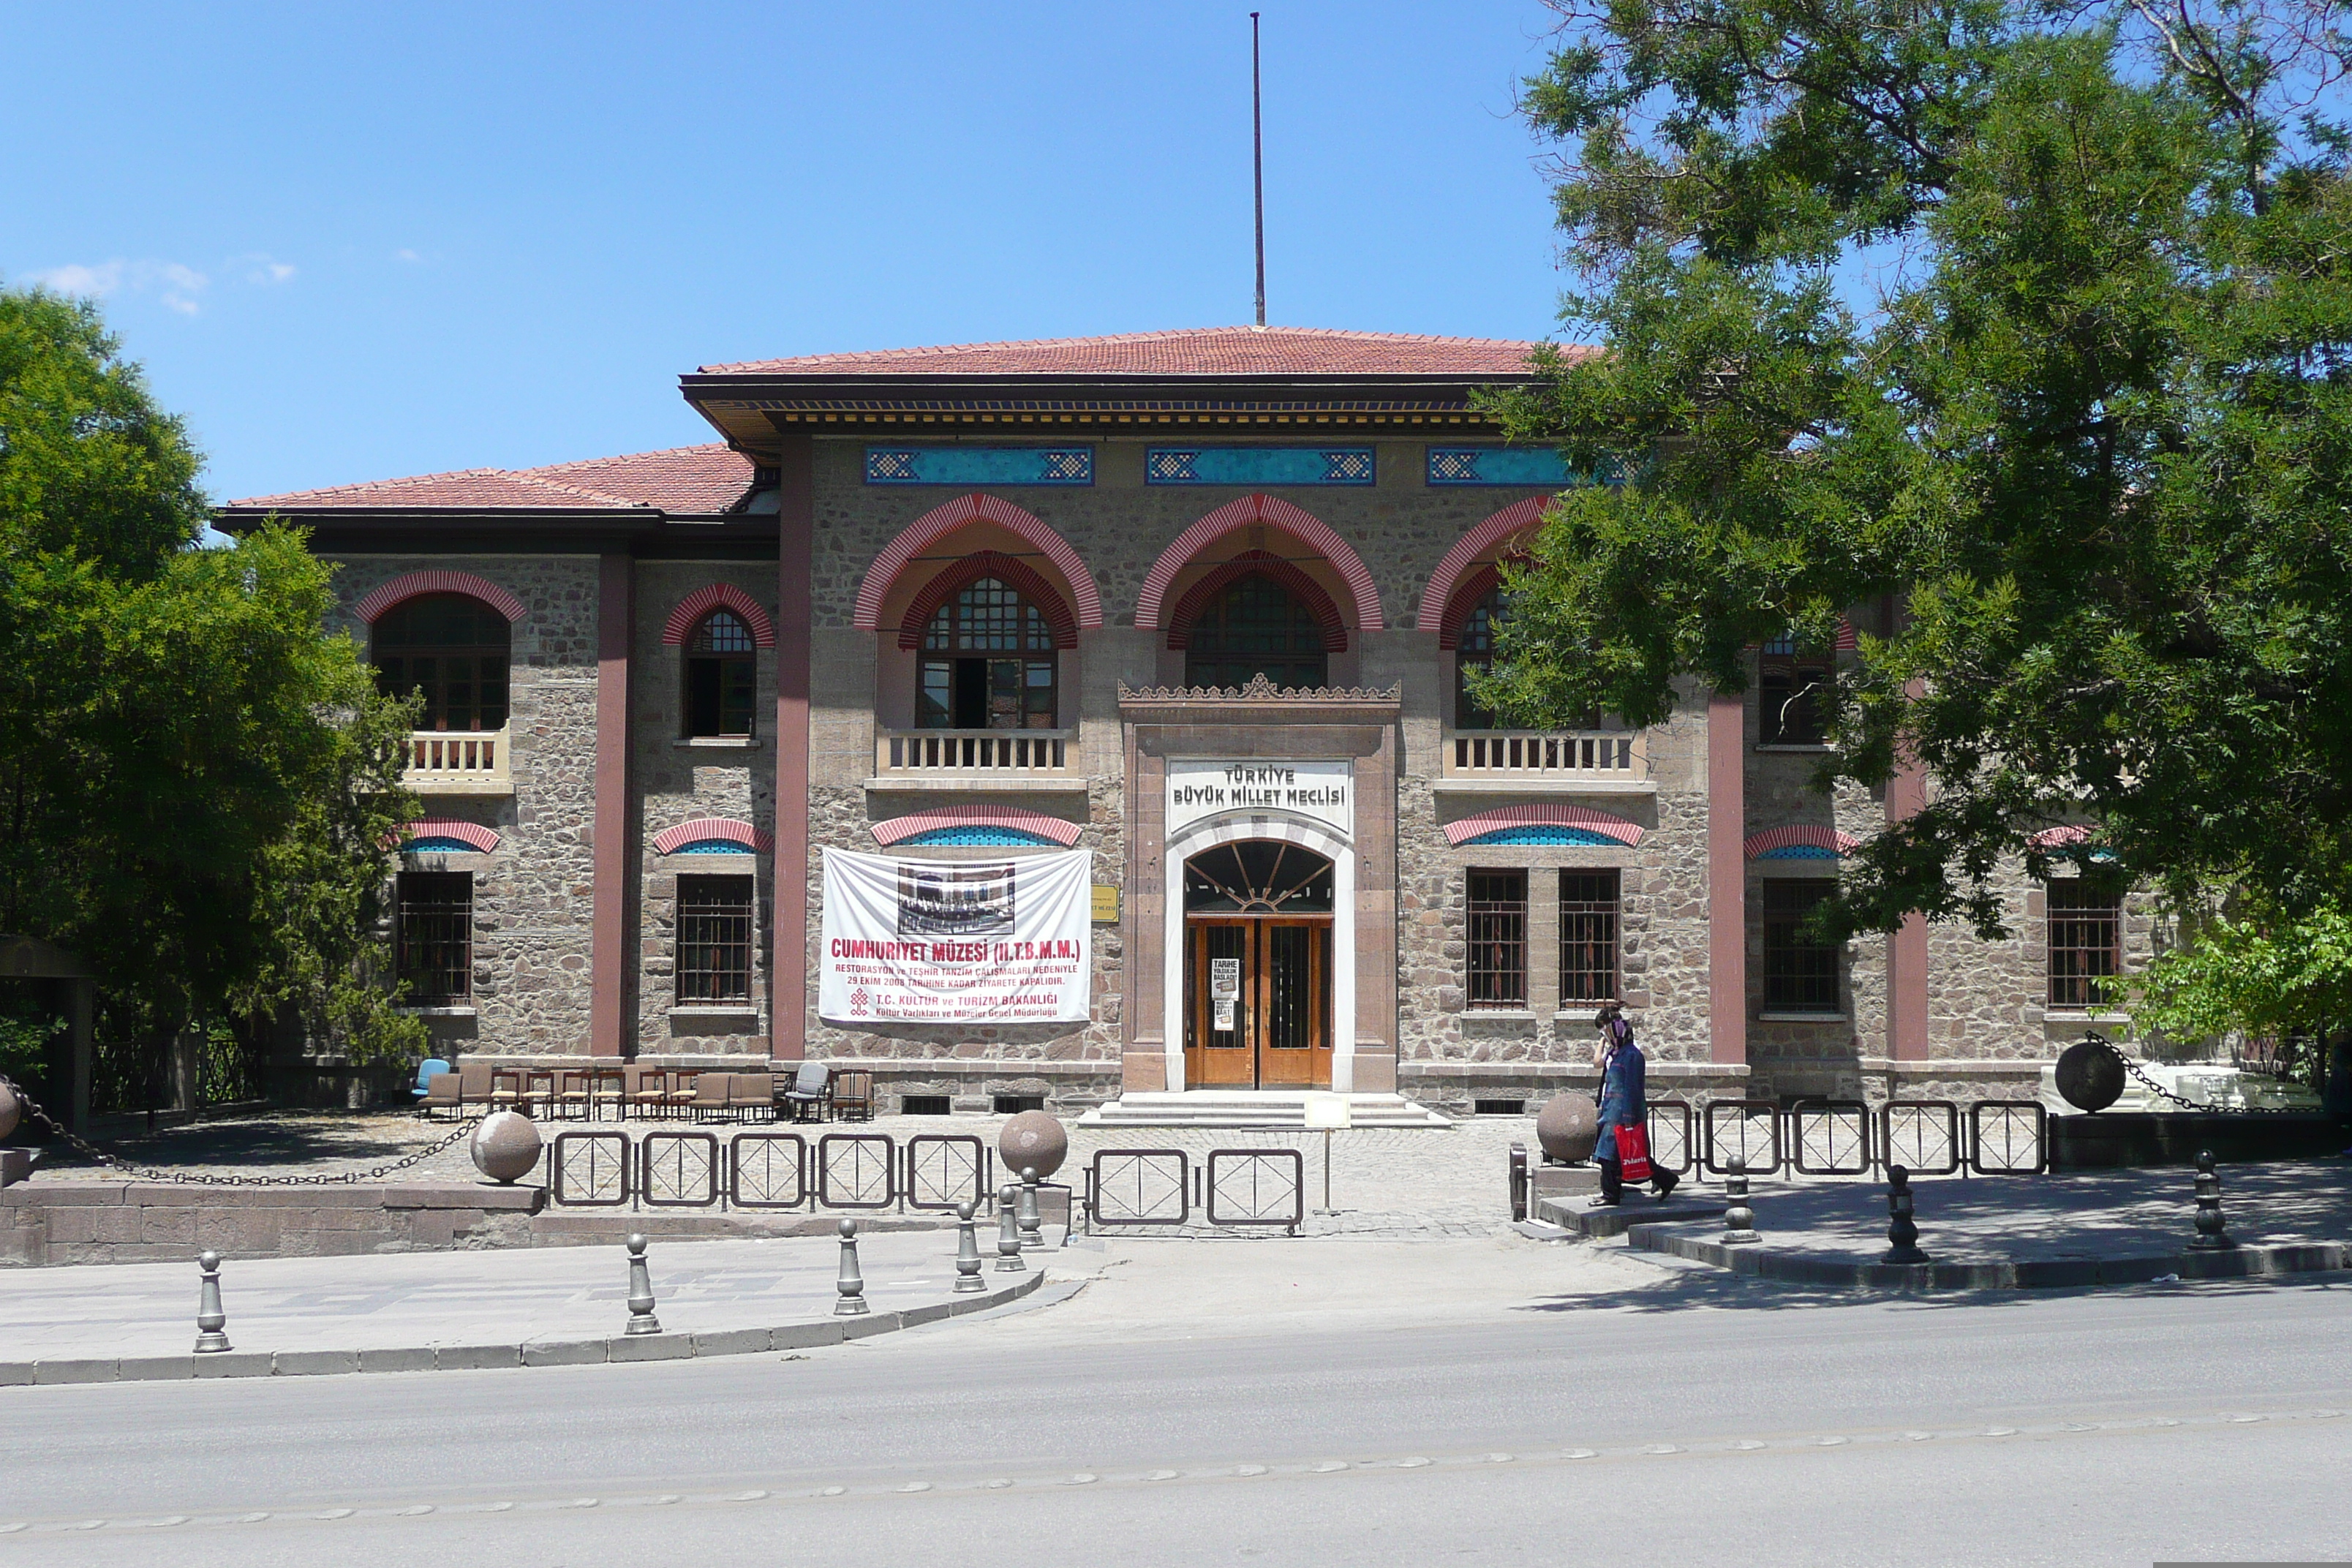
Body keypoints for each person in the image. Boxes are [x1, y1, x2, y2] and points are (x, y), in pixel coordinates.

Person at [1588, 1000, 1678, 1206]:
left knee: (1609, 1155)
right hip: (1610, 1111)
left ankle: (1610, 1195)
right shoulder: (1616, 1054)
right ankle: (1666, 1180)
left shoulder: (1633, 1056)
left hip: (1621, 1114)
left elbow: (1633, 1088)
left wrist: (1629, 1116)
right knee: (1620, 1155)